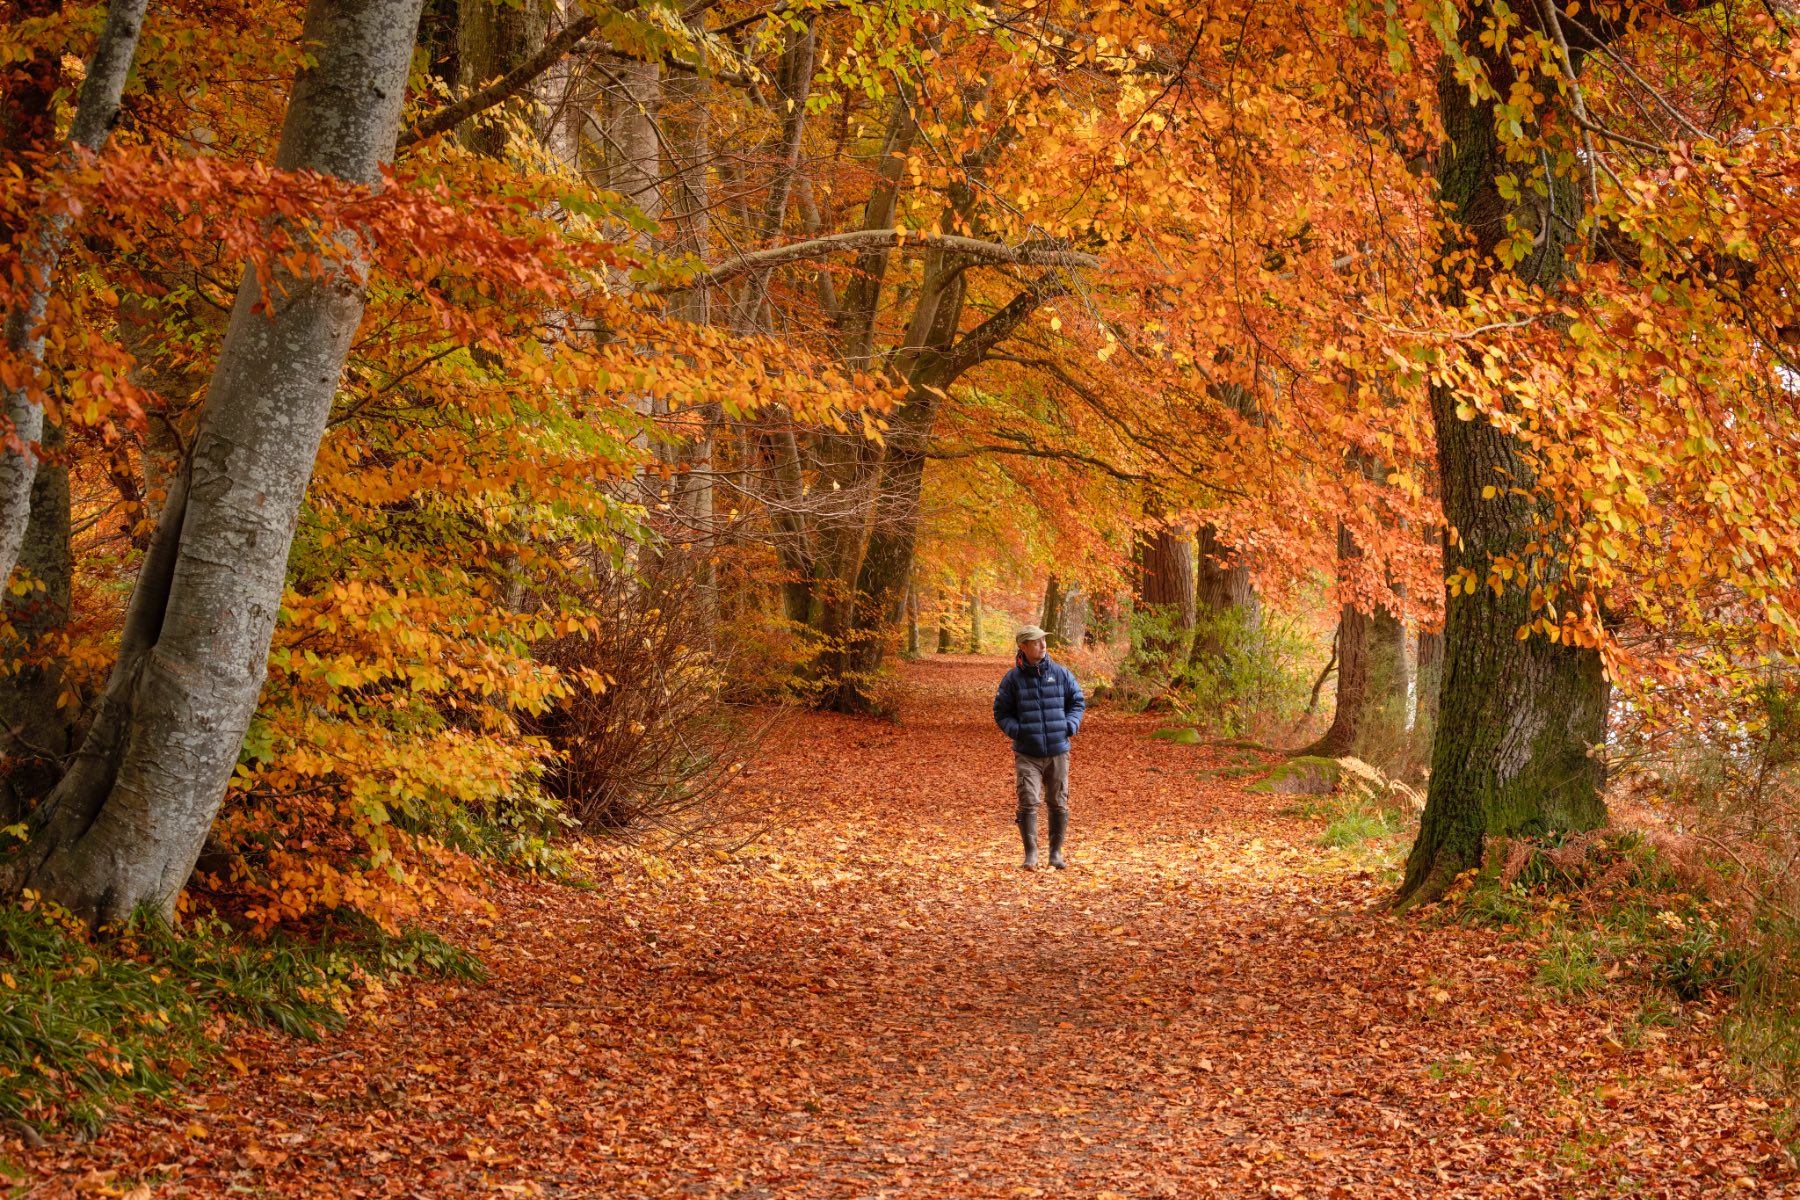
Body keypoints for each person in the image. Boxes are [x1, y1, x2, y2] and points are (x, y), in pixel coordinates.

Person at [993, 624, 1086, 870]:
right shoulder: (1012, 680)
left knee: (1058, 801)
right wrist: (1019, 730)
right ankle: (1031, 854)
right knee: (1028, 800)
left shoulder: (1061, 674)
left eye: (1044, 640)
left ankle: (1055, 854)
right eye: (1036, 642)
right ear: (1023, 647)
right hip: (1027, 753)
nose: (1043, 645)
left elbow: (1077, 701)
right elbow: (1001, 712)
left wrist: (1070, 725)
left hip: (1058, 750)